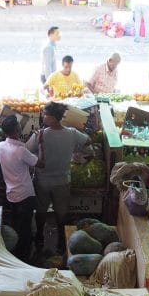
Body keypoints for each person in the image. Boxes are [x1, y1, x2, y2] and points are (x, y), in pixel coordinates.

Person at [25, 102, 88, 252]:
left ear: (53, 118)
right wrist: (75, 152)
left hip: (43, 181)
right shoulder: (72, 133)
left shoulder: (41, 134)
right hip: (63, 181)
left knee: (41, 211)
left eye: (45, 114)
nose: (43, 116)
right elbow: (88, 141)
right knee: (61, 213)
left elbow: (27, 150)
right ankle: (61, 241)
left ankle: (40, 238)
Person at [0, 115, 45, 261]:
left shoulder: (0, 146)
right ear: (18, 129)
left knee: (18, 225)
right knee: (26, 230)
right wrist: (40, 143)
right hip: (25, 195)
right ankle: (25, 258)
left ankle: (16, 254)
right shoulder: (21, 151)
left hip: (11, 195)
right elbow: (41, 164)